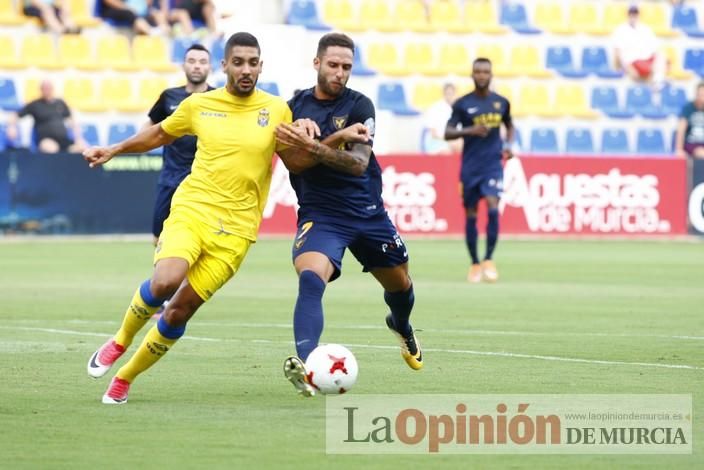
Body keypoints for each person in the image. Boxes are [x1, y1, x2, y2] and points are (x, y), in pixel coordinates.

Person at [83, 32, 310, 405]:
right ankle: (119, 340)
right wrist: (114, 148)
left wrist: (314, 142)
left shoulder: (277, 110)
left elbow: (297, 163)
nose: (246, 70)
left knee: (180, 310)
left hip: (237, 231)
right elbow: (160, 133)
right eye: (239, 62)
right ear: (224, 66)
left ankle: (125, 378)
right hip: (194, 209)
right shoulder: (199, 104)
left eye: (253, 63)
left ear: (261, 66)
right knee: (165, 281)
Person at [274, 32, 423, 397]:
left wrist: (315, 146)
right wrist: (327, 141)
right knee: (311, 278)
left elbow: (357, 164)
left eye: (346, 67)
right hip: (321, 214)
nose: (340, 73)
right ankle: (309, 367)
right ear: (317, 63)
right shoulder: (293, 108)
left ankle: (400, 324)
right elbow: (294, 161)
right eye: (333, 65)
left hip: (367, 214)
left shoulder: (360, 107)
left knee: (400, 286)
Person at [444, 57, 515, 284]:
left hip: (493, 165)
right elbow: (448, 132)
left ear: (491, 75)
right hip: (470, 168)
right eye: (478, 71)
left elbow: (510, 124)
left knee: (494, 207)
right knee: (471, 215)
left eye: (485, 71)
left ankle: (489, 259)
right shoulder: (463, 104)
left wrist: (508, 145)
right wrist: (471, 130)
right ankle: (474, 263)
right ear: (473, 75)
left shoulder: (501, 103)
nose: (482, 75)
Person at [145, 43, 213, 245]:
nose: (197, 66)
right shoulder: (169, 97)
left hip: (204, 180)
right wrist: (130, 146)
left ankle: (192, 277)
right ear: (183, 65)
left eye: (202, 62)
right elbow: (150, 126)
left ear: (211, 67)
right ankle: (162, 276)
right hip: (171, 179)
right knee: (159, 238)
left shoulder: (219, 99)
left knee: (202, 239)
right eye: (191, 61)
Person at [5, 80, 87, 154]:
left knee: (83, 149)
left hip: (64, 140)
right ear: (41, 89)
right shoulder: (35, 104)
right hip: (46, 140)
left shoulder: (60, 103)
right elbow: (14, 116)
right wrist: (11, 127)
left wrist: (78, 138)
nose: (47, 90)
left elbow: (72, 120)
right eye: (45, 88)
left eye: (49, 88)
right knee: (52, 149)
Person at [612, 4, 667, 90]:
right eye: (631, 13)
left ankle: (657, 82)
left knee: (662, 56)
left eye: (635, 13)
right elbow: (618, 53)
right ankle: (656, 81)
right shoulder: (621, 30)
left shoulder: (645, 29)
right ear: (627, 14)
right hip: (634, 62)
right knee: (655, 66)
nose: (633, 16)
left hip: (647, 60)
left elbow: (656, 48)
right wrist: (628, 68)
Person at [421, 82, 462, 154]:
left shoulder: (459, 109)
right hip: (437, 142)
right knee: (447, 151)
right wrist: (449, 141)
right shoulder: (435, 108)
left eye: (452, 94)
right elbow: (433, 134)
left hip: (453, 141)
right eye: (448, 93)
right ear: (444, 94)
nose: (450, 96)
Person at [99, 0, 169, 35]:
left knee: (155, 14)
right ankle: (151, 32)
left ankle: (163, 32)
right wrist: (127, 7)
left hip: (130, 12)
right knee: (130, 13)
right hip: (111, 11)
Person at [675, 81, 704, 159]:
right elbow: (681, 129)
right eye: (699, 95)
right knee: (701, 153)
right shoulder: (688, 108)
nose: (701, 97)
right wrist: (679, 149)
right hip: (692, 143)